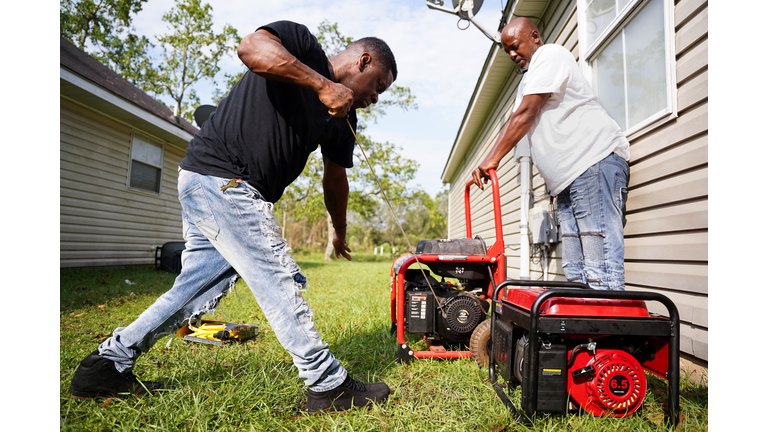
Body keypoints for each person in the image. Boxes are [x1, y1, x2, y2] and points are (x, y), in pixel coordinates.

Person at [70, 20, 397, 413]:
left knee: (195, 290)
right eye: (378, 86)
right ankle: (327, 384)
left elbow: (335, 180)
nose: (375, 98)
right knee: (276, 276)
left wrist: (339, 233)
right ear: (363, 61)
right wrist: (322, 84)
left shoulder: (341, 119)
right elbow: (252, 49)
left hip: (221, 188)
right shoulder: (301, 45)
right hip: (222, 178)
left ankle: (106, 365)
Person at [471, 17, 630, 291]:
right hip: (568, 180)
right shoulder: (527, 81)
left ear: (534, 36)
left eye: (515, 46)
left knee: (599, 268)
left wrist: (492, 159)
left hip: (592, 163)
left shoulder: (550, 54)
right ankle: (587, 333)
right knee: (576, 271)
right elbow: (515, 123)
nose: (512, 54)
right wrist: (488, 157)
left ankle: (611, 332)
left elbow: (526, 114)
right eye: (507, 50)